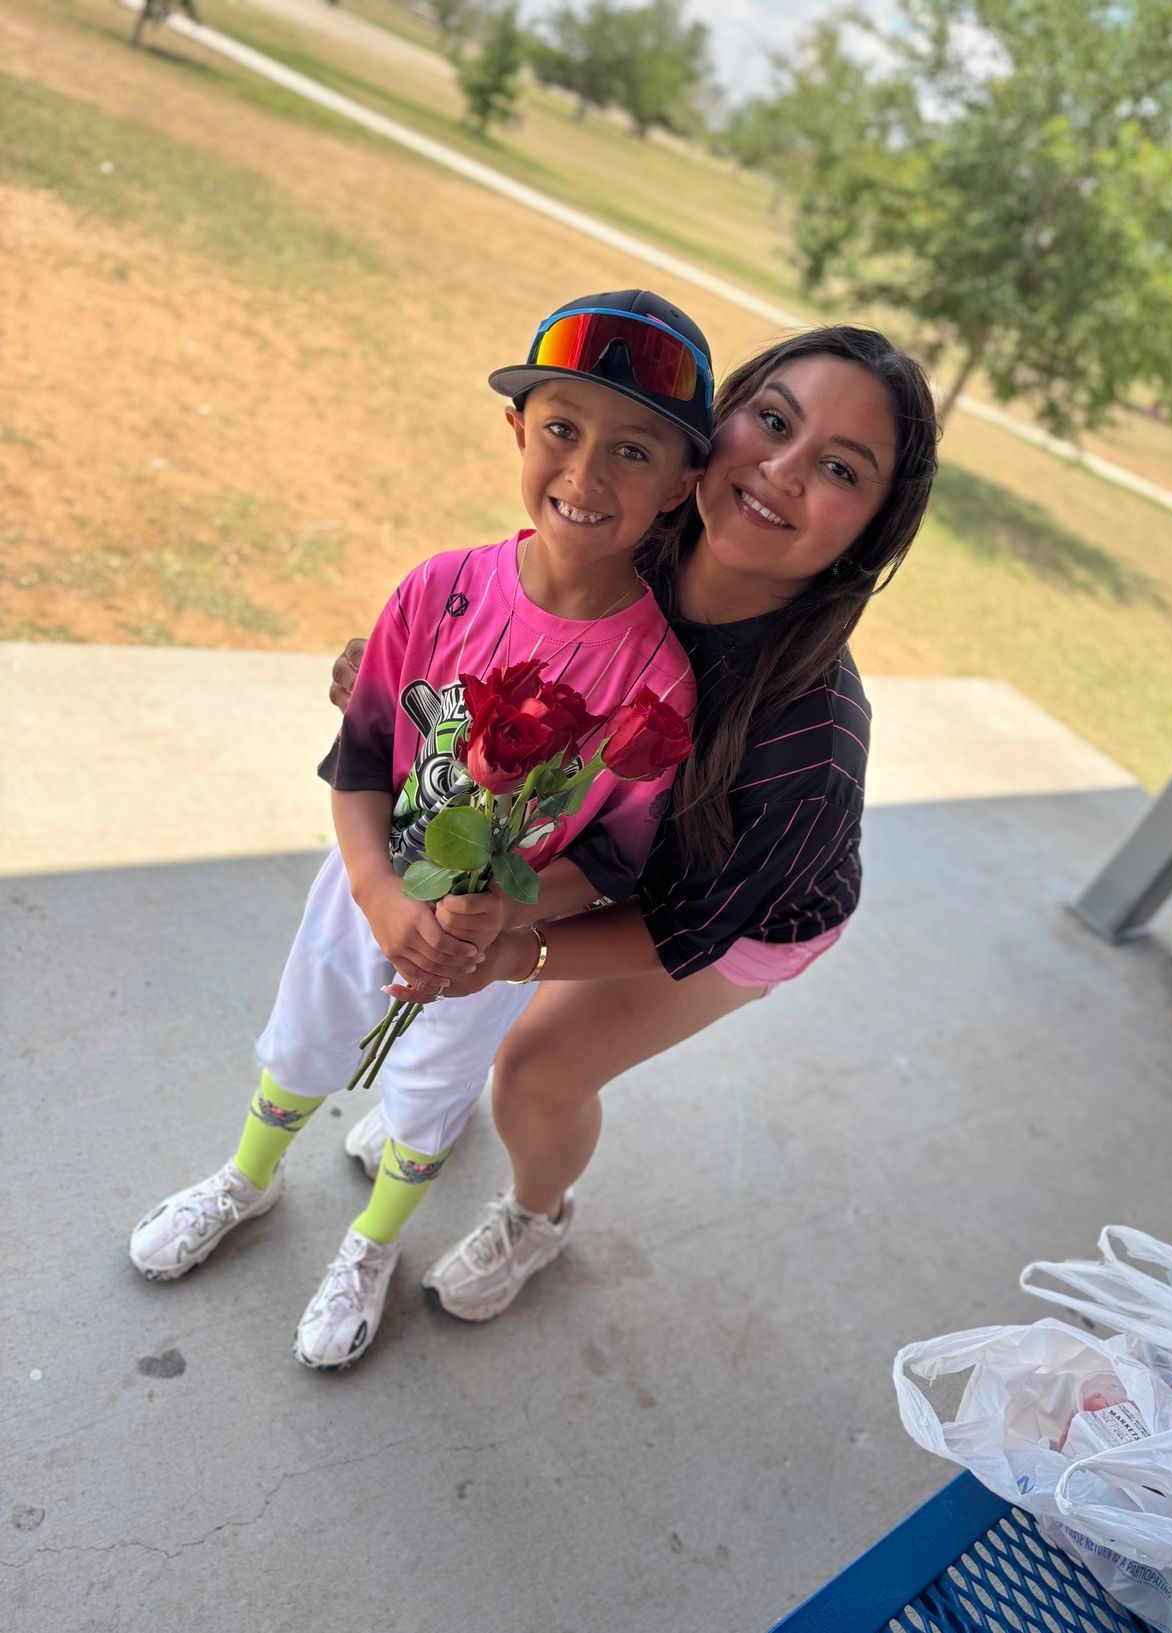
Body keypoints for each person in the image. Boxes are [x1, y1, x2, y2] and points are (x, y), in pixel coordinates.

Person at [128, 289, 713, 1370]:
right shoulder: (439, 590)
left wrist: (503, 918)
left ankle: (372, 1241)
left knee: (432, 1088)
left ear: (683, 482)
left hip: (485, 948)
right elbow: (359, 760)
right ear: (517, 429)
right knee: (307, 1033)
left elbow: (611, 857)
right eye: (562, 429)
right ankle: (248, 1178)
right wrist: (377, 891)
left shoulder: (656, 679)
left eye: (634, 451)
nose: (586, 475)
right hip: (367, 886)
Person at [334, 323, 939, 1323]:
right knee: (468, 970)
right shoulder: (627, 535)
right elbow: (497, 637)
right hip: (598, 839)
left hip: (728, 912)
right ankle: (436, 1098)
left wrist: (520, 952)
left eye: (839, 467)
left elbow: (683, 924)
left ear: (872, 527)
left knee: (535, 1067)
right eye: (773, 421)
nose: (783, 470)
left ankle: (536, 1215)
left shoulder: (810, 742)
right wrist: (400, 682)